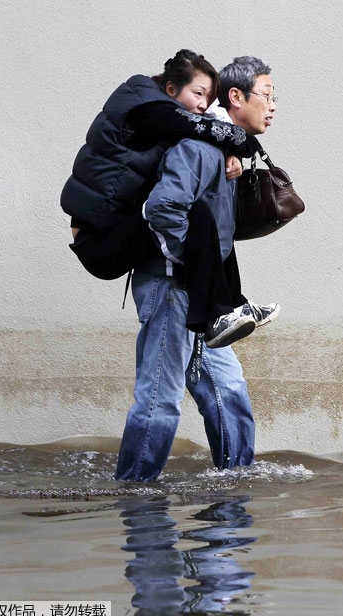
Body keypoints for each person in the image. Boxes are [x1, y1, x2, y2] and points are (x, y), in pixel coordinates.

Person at [114, 56, 279, 481]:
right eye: (267, 95)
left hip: (201, 297)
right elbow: (163, 208)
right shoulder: (200, 147)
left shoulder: (223, 150)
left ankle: (234, 487)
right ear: (236, 98)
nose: (273, 106)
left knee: (228, 390)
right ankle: (133, 496)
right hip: (173, 286)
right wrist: (189, 267)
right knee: (160, 398)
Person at [62, 50, 277, 348]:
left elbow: (196, 126)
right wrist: (239, 140)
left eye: (208, 97)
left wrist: (231, 151)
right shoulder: (144, 106)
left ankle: (232, 303)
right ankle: (217, 313)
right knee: (198, 215)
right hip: (98, 240)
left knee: (206, 214)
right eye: (198, 93)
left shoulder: (168, 120)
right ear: (171, 88)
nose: (203, 104)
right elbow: (193, 125)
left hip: (118, 226)